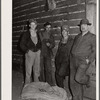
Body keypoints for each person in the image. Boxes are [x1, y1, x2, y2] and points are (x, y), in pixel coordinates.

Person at [70, 19, 96, 100]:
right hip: (73, 61)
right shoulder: (77, 36)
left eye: (85, 25)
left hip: (83, 61)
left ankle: (87, 80)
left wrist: (89, 60)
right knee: (73, 83)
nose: (83, 27)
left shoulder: (92, 37)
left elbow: (95, 50)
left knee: (78, 78)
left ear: (88, 26)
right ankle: (77, 98)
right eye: (81, 25)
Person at [20, 19, 41, 85]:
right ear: (29, 25)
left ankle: (36, 85)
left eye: (34, 24)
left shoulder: (37, 33)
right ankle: (27, 86)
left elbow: (40, 42)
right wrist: (27, 51)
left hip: (37, 53)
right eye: (31, 24)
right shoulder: (26, 34)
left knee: (37, 70)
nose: (33, 26)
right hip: (30, 53)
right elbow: (21, 44)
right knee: (28, 71)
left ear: (36, 25)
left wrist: (39, 49)